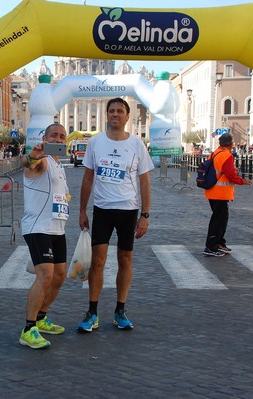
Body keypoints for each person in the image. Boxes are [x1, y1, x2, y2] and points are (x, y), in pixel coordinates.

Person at [76, 97, 154, 333]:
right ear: (106, 114)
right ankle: (92, 312)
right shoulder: (96, 142)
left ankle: (120, 310)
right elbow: (88, 178)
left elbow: (145, 182)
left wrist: (145, 215)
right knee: (98, 261)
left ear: (127, 116)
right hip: (102, 209)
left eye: (120, 111)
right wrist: (82, 210)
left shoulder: (137, 145)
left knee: (125, 260)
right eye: (112, 111)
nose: (115, 114)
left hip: (128, 210)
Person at [19, 123, 69, 349]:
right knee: (46, 275)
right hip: (38, 226)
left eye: (62, 137)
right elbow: (29, 165)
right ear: (45, 138)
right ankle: (28, 329)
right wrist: (32, 156)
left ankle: (41, 317)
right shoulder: (42, 161)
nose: (58, 140)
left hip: (58, 227)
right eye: (54, 136)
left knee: (59, 275)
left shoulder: (59, 164)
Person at [203, 133, 253, 256]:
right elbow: (230, 175)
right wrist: (243, 181)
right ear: (230, 144)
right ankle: (211, 246)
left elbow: (222, 171)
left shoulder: (214, 153)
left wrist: (231, 171)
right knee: (219, 220)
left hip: (212, 191)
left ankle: (219, 243)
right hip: (220, 193)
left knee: (221, 218)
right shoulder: (227, 155)